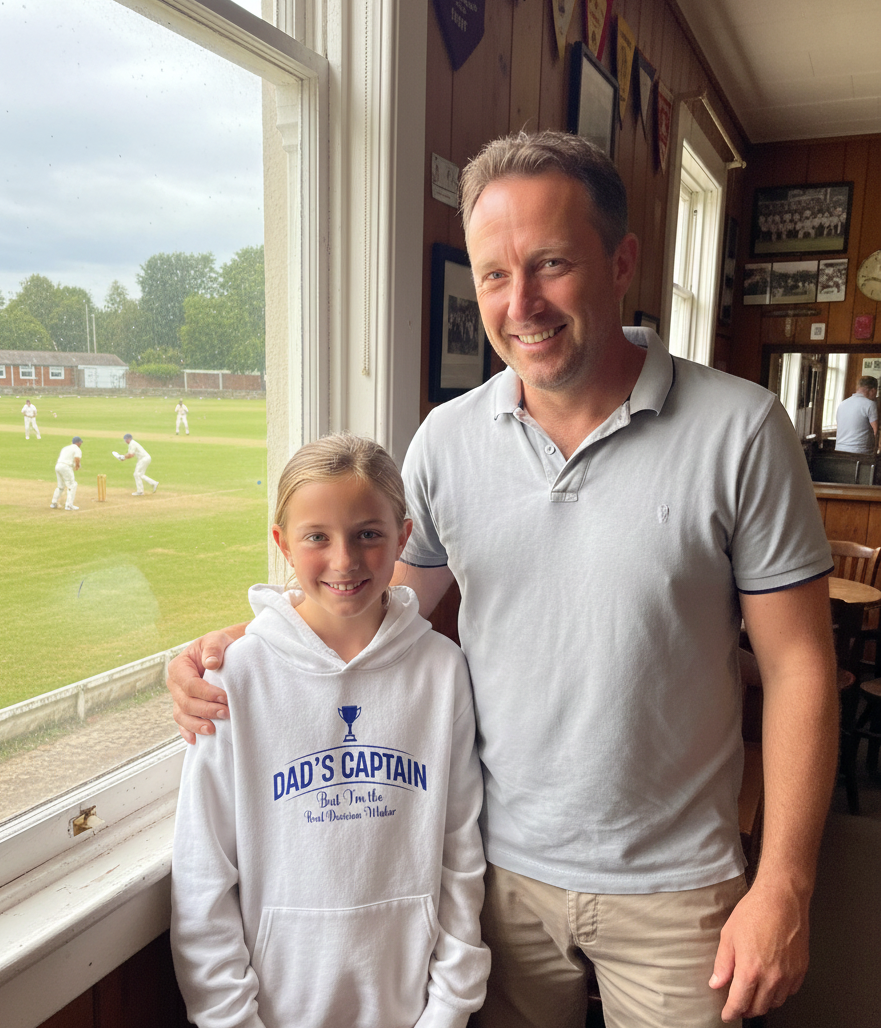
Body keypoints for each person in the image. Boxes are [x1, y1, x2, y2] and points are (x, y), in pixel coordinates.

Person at [168, 131, 839, 1028]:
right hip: (494, 880)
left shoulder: (744, 430)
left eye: (551, 264)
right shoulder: (445, 440)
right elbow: (378, 614)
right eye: (493, 274)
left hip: (678, 888)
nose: (519, 303)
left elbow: (799, 669)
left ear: (621, 261)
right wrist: (242, 647)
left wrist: (785, 886)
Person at [170, 432, 489, 1028]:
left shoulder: (442, 670)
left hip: (414, 1005)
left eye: (369, 533)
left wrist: (448, 1005)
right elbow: (203, 872)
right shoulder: (236, 677)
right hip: (272, 1007)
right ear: (282, 544)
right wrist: (229, 1016)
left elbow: (460, 853)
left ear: (403, 536)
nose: (344, 559)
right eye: (317, 536)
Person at [834, 376, 878, 453]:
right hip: (860, 451)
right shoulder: (870, 404)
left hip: (839, 450)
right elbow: (876, 430)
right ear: (873, 391)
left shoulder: (842, 404)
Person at [50, 435, 82, 510]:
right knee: (72, 485)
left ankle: (54, 503)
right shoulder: (77, 449)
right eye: (80, 443)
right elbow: (77, 458)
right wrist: (77, 466)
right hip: (66, 467)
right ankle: (69, 505)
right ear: (78, 442)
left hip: (58, 466)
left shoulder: (65, 448)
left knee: (60, 486)